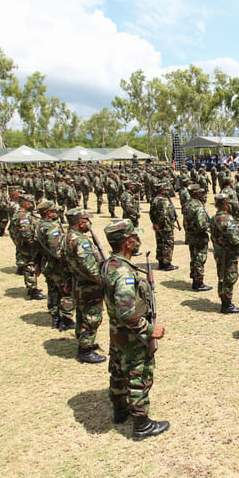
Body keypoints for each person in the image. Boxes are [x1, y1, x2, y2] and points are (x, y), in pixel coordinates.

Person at [100, 219, 169, 440]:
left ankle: (120, 410)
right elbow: (126, 312)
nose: (138, 240)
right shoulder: (124, 273)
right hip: (131, 336)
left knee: (118, 371)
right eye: (135, 238)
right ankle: (141, 424)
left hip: (117, 333)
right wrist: (149, 329)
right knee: (138, 375)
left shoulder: (110, 264)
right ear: (127, 243)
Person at [62, 208, 107, 364]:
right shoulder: (80, 241)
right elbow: (90, 267)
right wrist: (105, 280)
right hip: (89, 286)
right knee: (92, 317)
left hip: (78, 283)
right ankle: (85, 350)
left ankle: (83, 340)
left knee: (82, 315)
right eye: (87, 220)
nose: (89, 223)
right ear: (81, 223)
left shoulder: (67, 237)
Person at [35, 200, 75, 331]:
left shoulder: (39, 225)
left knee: (53, 290)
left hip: (46, 264)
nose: (56, 213)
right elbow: (57, 251)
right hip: (57, 266)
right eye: (53, 211)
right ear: (48, 213)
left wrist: (37, 264)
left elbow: (37, 248)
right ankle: (66, 319)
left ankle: (55, 317)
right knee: (66, 291)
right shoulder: (52, 228)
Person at [210, 193, 239, 313]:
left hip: (219, 251)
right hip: (228, 253)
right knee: (230, 277)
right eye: (227, 203)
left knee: (222, 276)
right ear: (225, 205)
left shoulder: (214, 218)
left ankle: (225, 301)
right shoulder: (226, 219)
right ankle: (227, 304)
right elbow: (234, 239)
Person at [8, 194, 46, 300]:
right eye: (30, 203)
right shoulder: (23, 217)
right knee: (30, 266)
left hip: (23, 245)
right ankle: (33, 291)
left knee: (29, 266)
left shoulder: (19, 214)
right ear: (25, 203)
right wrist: (34, 244)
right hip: (28, 247)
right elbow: (26, 234)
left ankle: (31, 287)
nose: (32, 205)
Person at [182, 185, 212, 291]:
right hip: (199, 237)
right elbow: (202, 225)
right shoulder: (198, 206)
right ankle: (199, 283)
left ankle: (195, 280)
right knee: (199, 259)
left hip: (190, 236)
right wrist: (210, 226)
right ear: (197, 194)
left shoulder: (187, 204)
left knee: (194, 258)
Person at [149, 182, 179, 271]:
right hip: (166, 226)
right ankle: (167, 263)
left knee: (160, 244)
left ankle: (161, 262)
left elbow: (151, 213)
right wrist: (159, 223)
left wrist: (155, 223)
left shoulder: (154, 200)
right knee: (168, 244)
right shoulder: (164, 201)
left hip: (158, 226)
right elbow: (164, 215)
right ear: (162, 191)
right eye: (166, 190)